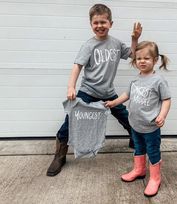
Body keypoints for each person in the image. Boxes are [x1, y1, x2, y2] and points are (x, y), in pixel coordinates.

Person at [46, 4, 142, 177]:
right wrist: (71, 87)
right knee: (70, 122)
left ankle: (135, 141)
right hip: (87, 92)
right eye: (96, 23)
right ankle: (59, 156)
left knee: (127, 118)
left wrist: (135, 39)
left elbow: (133, 55)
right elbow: (77, 67)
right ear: (91, 24)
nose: (100, 26)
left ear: (111, 23)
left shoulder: (116, 43)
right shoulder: (88, 45)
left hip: (108, 93)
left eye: (103, 22)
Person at [105, 41, 171, 197]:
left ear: (155, 60)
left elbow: (167, 99)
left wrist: (162, 115)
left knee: (153, 151)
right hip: (135, 124)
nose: (142, 61)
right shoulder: (135, 80)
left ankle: (155, 178)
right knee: (138, 148)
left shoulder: (159, 81)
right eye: (138, 58)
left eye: (146, 58)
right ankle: (139, 170)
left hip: (151, 127)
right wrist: (114, 102)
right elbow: (126, 95)